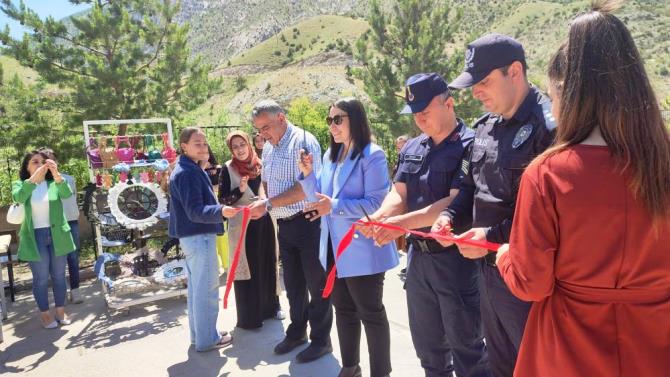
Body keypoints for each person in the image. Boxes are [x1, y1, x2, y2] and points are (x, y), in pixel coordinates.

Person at [496, 3, 670, 376]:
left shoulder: (547, 174)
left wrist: (506, 257)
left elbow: (532, 283)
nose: (553, 108)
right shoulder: (663, 163)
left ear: (570, 94)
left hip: (568, 349)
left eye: (553, 95)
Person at [431, 34, 555, 377]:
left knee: (536, 365)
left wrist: (489, 236)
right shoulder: (484, 128)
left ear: (514, 71)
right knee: (500, 365)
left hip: (528, 279)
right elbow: (469, 188)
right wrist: (448, 217)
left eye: (484, 81)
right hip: (487, 274)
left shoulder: (549, 128)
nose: (475, 92)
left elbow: (547, 218)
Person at [361, 73, 489, 377]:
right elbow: (399, 193)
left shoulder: (471, 146)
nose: (418, 118)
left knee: (468, 350)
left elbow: (453, 203)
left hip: (456, 260)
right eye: (414, 112)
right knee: (429, 350)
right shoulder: (414, 147)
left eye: (425, 111)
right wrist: (380, 216)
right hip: (419, 262)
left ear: (449, 103)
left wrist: (398, 224)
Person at [297, 98, 399, 377]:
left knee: (371, 313)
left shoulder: (372, 154)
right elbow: (319, 199)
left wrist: (335, 206)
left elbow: (377, 203)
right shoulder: (331, 156)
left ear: (355, 118)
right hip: (333, 247)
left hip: (363, 248)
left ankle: (381, 372)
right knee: (343, 309)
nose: (332, 125)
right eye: (329, 120)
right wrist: (307, 175)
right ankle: (350, 367)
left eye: (337, 119)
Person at [247, 99, 333, 363]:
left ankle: (322, 341)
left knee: (317, 285)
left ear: (281, 118)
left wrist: (269, 203)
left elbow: (305, 188)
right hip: (284, 225)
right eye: (259, 130)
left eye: (266, 127)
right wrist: (263, 198)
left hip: (308, 223)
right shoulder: (270, 148)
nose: (262, 134)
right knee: (293, 284)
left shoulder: (303, 142)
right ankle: (297, 332)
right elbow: (264, 181)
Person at [168, 127, 233, 352]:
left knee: (198, 290)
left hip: (193, 238)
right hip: (199, 236)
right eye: (197, 143)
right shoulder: (186, 172)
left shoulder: (189, 169)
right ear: (184, 146)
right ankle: (207, 339)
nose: (203, 147)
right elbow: (195, 211)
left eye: (204, 143)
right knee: (206, 290)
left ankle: (201, 336)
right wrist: (222, 210)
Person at [219, 130, 281, 329]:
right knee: (248, 267)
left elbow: (271, 190)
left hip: (264, 222)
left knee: (268, 261)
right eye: (235, 146)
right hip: (243, 226)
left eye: (242, 144)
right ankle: (251, 317)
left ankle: (273, 307)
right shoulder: (227, 169)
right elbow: (223, 200)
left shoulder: (260, 164)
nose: (239, 150)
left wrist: (263, 200)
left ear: (249, 144)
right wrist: (241, 191)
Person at [13, 150, 76, 328]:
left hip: (57, 234)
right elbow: (18, 197)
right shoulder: (20, 184)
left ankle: (61, 311)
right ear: (27, 166)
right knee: (40, 278)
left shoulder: (53, 183)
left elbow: (66, 193)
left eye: (43, 162)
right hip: (35, 237)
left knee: (58, 276)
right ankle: (45, 314)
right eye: (35, 162)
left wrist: (56, 173)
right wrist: (33, 180)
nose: (40, 165)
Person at [38, 148, 84, 304]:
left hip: (71, 221)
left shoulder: (68, 179)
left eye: (52, 159)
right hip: (53, 224)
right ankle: (61, 292)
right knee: (57, 260)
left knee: (73, 257)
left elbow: (72, 199)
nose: (50, 163)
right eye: (46, 160)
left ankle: (75, 290)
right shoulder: (41, 183)